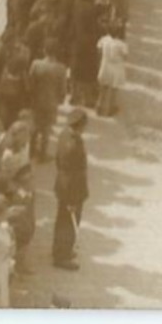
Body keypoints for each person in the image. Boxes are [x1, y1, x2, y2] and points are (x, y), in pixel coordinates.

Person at [52, 110, 89, 269]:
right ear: (81, 125)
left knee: (63, 219)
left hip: (63, 184)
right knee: (68, 222)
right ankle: (62, 256)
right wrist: (72, 198)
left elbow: (58, 161)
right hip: (71, 188)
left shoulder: (64, 135)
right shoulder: (73, 145)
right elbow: (74, 172)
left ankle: (59, 250)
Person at [96, 27, 127, 117]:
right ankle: (110, 108)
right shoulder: (121, 44)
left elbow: (99, 50)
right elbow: (125, 57)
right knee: (114, 88)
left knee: (103, 87)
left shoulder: (104, 39)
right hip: (116, 67)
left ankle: (99, 106)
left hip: (105, 65)